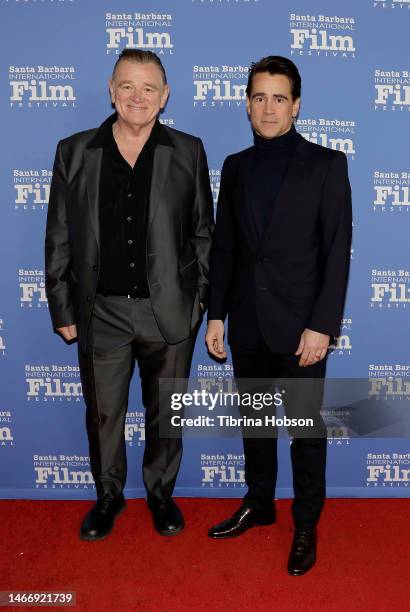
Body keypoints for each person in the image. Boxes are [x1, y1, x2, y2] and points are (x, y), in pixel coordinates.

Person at [45, 49, 214, 541]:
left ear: (164, 97)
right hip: (103, 313)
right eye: (126, 86)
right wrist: (62, 303)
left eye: (148, 88)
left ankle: (161, 495)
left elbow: (204, 233)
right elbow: (58, 235)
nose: (136, 97)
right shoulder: (74, 152)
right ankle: (109, 496)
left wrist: (198, 302)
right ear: (111, 90)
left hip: (169, 314)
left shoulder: (188, 151)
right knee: (102, 414)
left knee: (167, 413)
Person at [205, 56, 352, 575]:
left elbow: (337, 253)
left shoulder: (328, 165)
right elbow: (225, 248)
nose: (268, 108)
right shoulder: (235, 166)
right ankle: (259, 503)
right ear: (247, 104)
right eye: (259, 98)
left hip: (301, 328)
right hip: (247, 322)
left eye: (279, 98)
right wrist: (216, 315)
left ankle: (306, 521)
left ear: (297, 104)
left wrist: (323, 326)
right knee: (257, 424)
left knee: (306, 430)